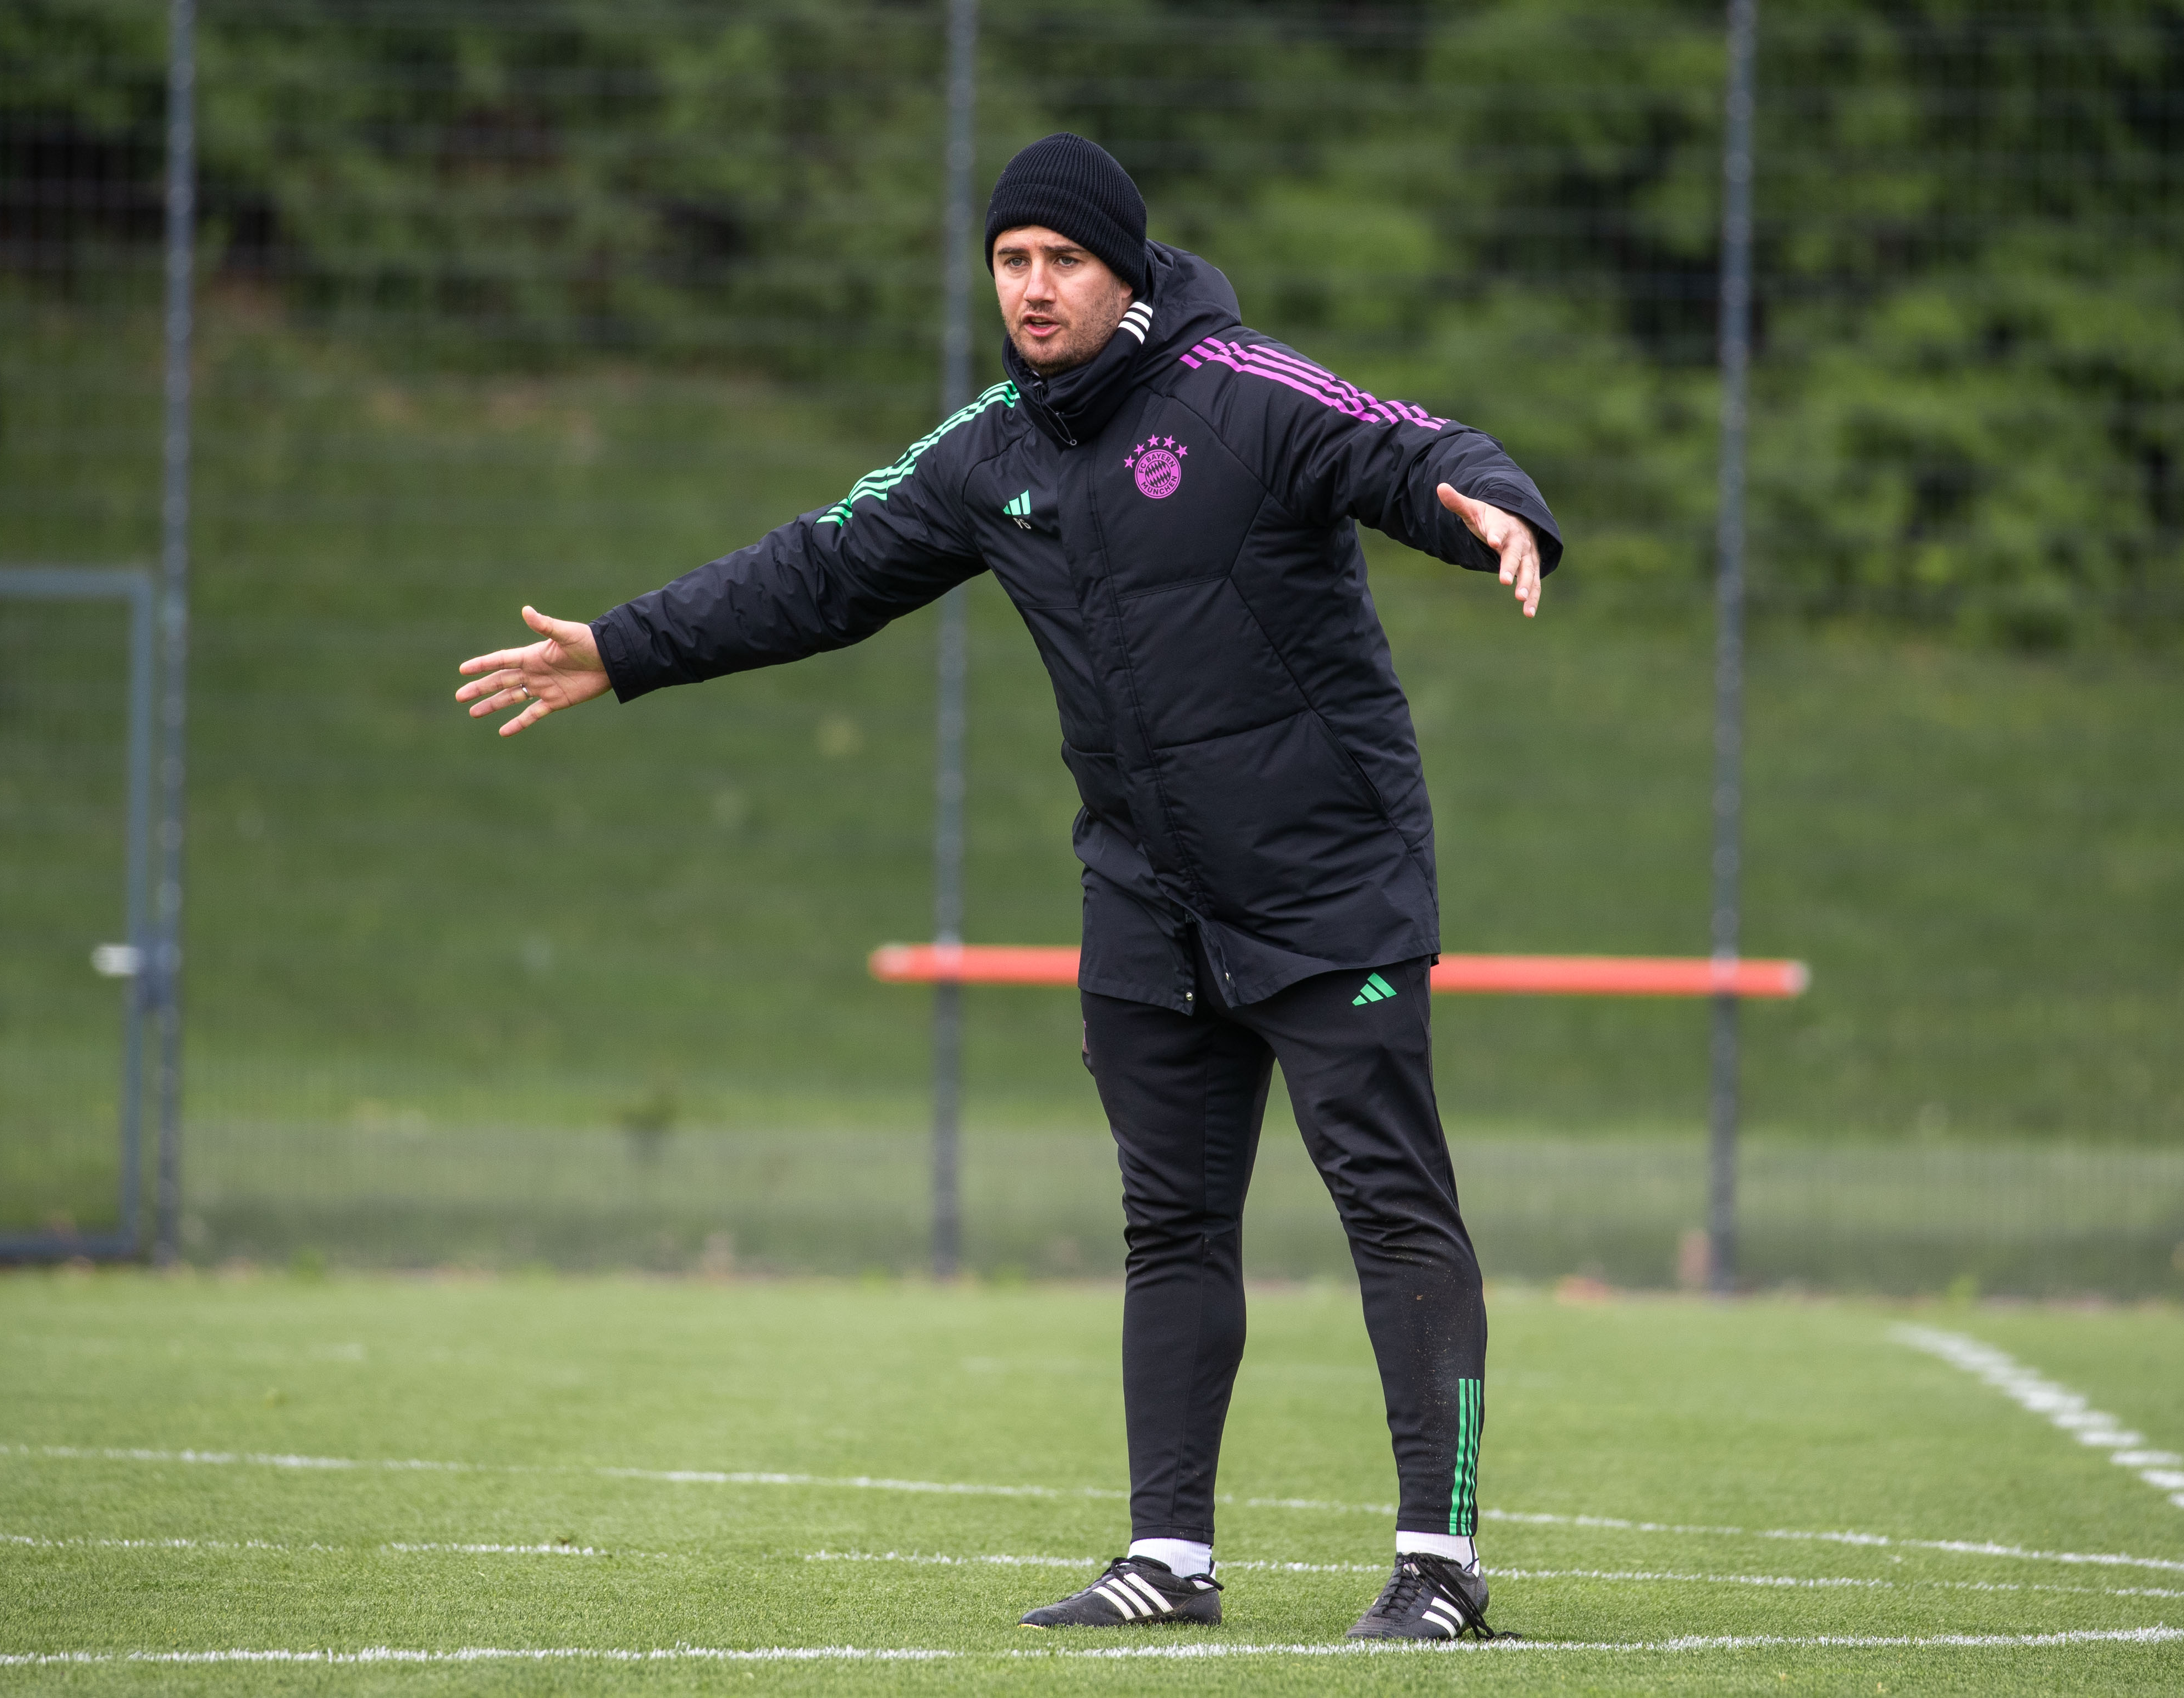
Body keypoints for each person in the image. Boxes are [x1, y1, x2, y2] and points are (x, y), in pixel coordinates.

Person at [455, 132, 1555, 1642]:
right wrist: (625, 645)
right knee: (1171, 1225)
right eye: (1010, 263)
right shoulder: (991, 449)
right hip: (1147, 894)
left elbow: (1401, 441)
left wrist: (1492, 503)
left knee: (1391, 1206)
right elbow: (819, 569)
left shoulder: (1246, 394)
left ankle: (1441, 1568)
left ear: (1127, 271)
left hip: (1324, 875)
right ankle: (1168, 1560)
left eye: (1064, 263)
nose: (1033, 291)